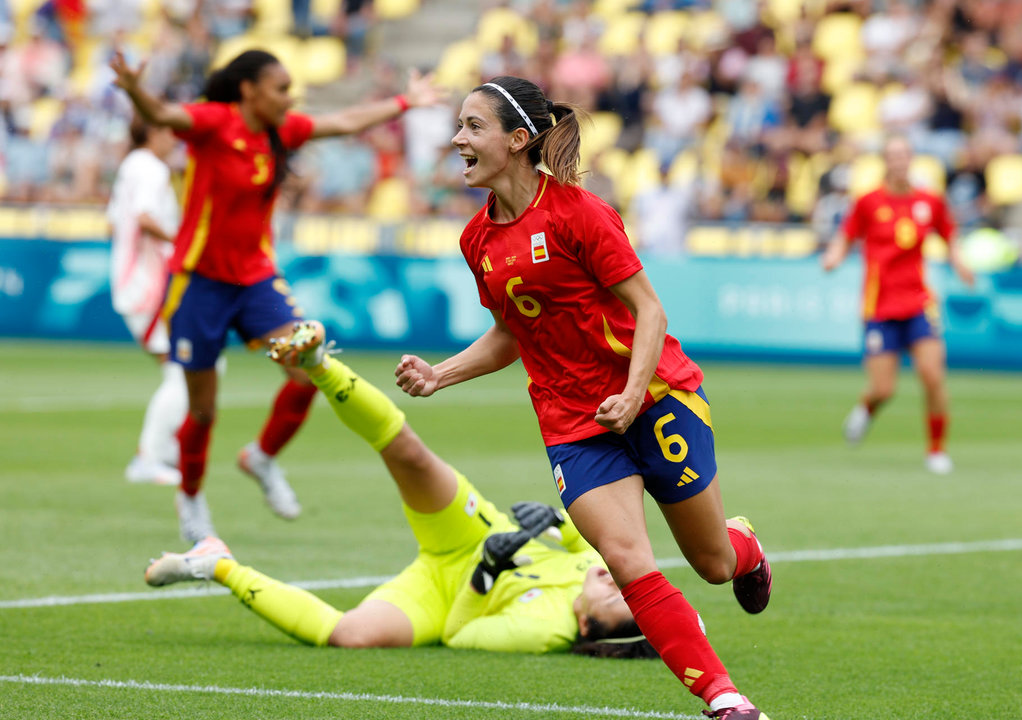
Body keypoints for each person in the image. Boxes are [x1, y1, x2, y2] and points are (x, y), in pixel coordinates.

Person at [394, 76, 772, 720]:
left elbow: (648, 313)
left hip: (654, 397)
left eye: (472, 127)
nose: (457, 139)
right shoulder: (476, 241)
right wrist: (440, 375)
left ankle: (746, 548)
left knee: (711, 563)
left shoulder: (580, 213)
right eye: (459, 126)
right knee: (627, 562)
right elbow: (512, 334)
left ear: (518, 140)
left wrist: (629, 396)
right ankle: (725, 700)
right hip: (572, 422)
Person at [145, 321, 659, 659]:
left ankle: (215, 563)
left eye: (616, 600)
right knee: (408, 452)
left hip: (442, 596)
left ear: (588, 628)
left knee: (351, 636)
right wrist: (552, 518)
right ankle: (320, 363)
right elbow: (579, 538)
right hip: (471, 531)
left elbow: (459, 634)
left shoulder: (545, 631)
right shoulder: (596, 566)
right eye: (627, 589)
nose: (618, 583)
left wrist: (484, 578)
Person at [108, 47, 443, 542]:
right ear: (249, 90)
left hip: (256, 281)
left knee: (308, 366)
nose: (291, 98)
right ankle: (192, 499)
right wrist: (135, 88)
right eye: (281, 88)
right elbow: (160, 114)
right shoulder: (213, 122)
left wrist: (404, 102)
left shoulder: (281, 131)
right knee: (202, 409)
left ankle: (262, 458)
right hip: (199, 283)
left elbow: (346, 120)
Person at [822, 134, 975, 474]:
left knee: (932, 374)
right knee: (883, 387)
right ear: (885, 161)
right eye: (893, 155)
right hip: (880, 306)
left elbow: (949, 235)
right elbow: (846, 235)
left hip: (919, 302)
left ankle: (936, 450)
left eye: (904, 154)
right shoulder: (868, 202)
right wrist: (833, 256)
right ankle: (866, 409)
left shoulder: (929, 201)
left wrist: (961, 263)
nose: (899, 161)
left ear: (912, 158)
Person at [106, 115, 186, 486]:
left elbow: (114, 221)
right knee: (184, 370)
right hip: (149, 285)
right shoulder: (151, 168)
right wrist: (181, 244)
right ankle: (150, 457)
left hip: (135, 280)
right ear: (154, 131)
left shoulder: (130, 166)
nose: (175, 139)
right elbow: (144, 217)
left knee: (190, 367)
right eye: (170, 132)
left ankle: (164, 451)